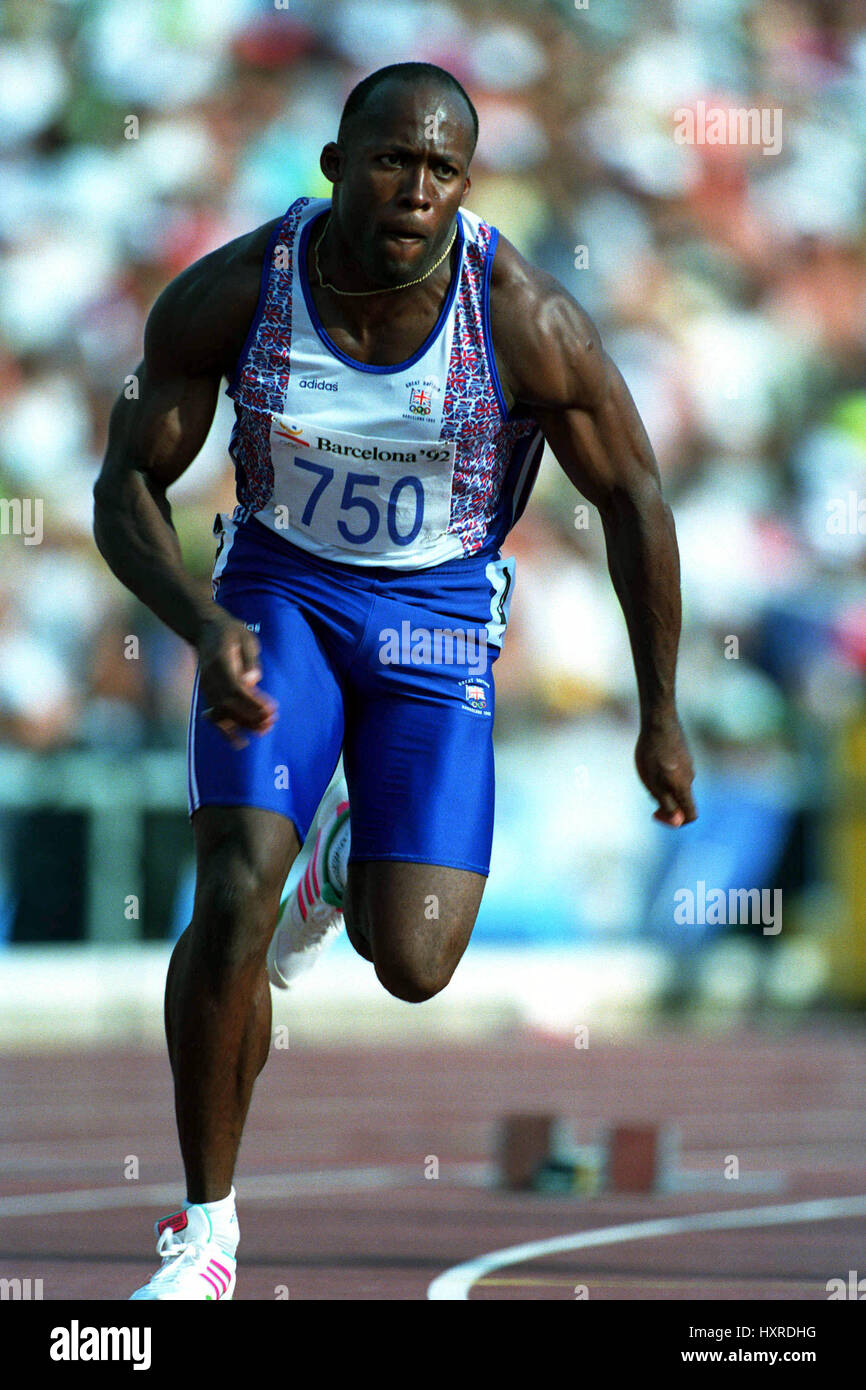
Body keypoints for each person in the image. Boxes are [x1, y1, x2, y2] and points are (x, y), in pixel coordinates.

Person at [92, 61, 697, 1301]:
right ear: (332, 164)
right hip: (279, 592)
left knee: (414, 962)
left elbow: (633, 496)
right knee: (230, 886)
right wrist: (201, 626)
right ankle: (205, 1232)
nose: (414, 189)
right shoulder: (235, 293)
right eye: (389, 160)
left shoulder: (520, 315)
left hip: (434, 616)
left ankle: (339, 867)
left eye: (440, 170)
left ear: (464, 184)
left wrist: (661, 712)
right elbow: (124, 492)